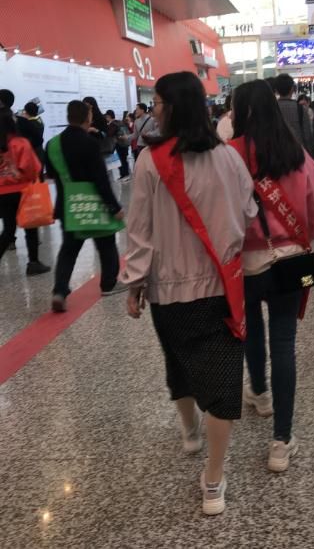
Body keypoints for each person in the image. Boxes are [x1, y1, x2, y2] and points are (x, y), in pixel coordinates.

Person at [123, 72, 257, 516]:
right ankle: (213, 481)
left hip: (168, 291)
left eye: (159, 103)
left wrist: (135, 285)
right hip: (222, 287)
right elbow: (249, 211)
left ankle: (189, 433)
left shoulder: (150, 161)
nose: (155, 110)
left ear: (172, 107)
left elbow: (139, 231)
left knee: (179, 362)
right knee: (222, 384)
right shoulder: (229, 157)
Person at [229, 80, 314, 473]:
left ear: (238, 111)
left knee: (251, 330)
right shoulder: (296, 152)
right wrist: (301, 238)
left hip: (245, 264)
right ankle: (281, 441)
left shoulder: (229, 155)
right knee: (284, 344)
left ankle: (260, 393)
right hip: (291, 262)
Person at [46, 101, 126, 312]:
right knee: (106, 244)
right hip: (95, 204)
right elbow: (100, 179)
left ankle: (60, 290)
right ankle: (108, 284)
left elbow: (51, 174)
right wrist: (114, 207)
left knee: (68, 250)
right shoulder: (90, 143)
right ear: (87, 118)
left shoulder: (52, 144)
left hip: (68, 205)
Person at [0, 108, 50, 274]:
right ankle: (33, 263)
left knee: (8, 230)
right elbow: (33, 168)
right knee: (31, 226)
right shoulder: (20, 143)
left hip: (2, 193)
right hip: (23, 191)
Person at [275, 74, 314, 157]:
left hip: (278, 153)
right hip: (298, 153)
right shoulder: (300, 109)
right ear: (292, 89)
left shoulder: (271, 108)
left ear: (276, 90)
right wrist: (311, 155)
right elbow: (307, 135)